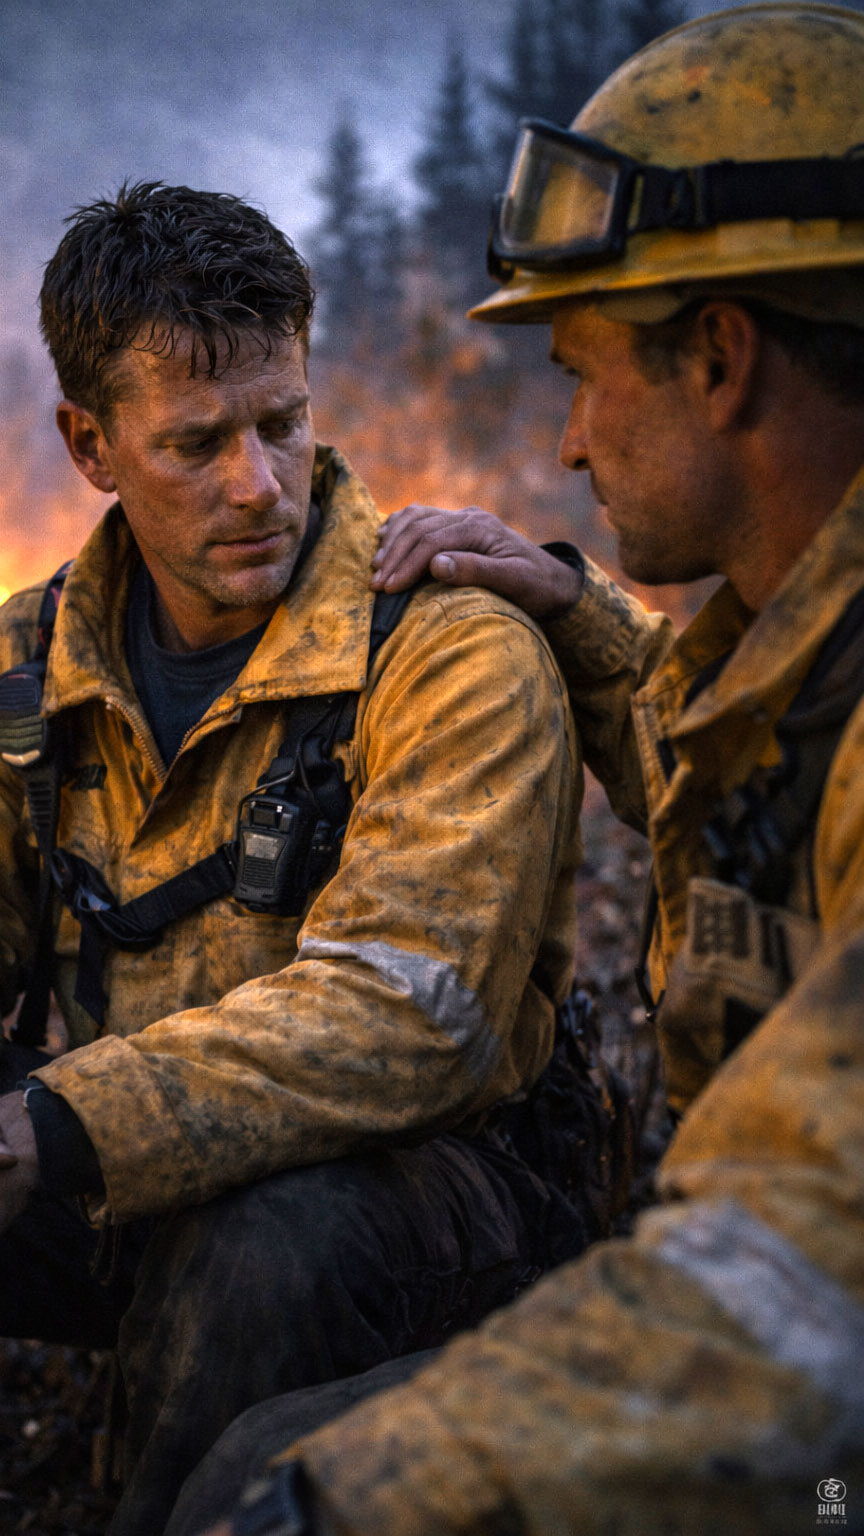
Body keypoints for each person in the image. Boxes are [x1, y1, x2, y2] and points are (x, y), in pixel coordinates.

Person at [177, 6, 864, 1533]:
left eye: (582, 373)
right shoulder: (803, 651)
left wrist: (353, 1508)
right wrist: (589, 618)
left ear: (723, 358)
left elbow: (803, 1275)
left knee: (273, 1474)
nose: (564, 445)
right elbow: (751, 783)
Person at [0, 181, 597, 1536]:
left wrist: (62, 1124)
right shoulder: (29, 662)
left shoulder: (449, 650)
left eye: (282, 421)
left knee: (268, 1244)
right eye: (195, 442)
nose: (256, 485)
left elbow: (411, 1021)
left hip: (427, 1200)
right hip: (133, 1162)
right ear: (90, 446)